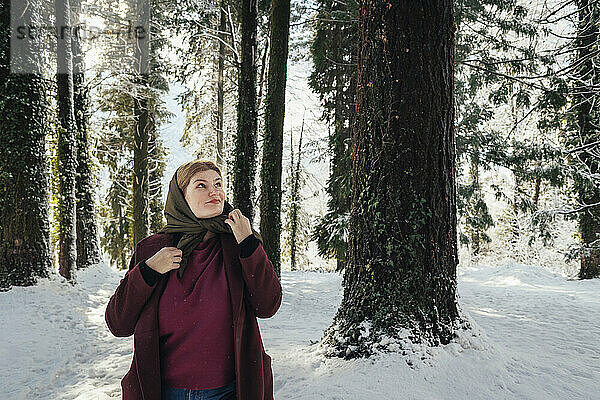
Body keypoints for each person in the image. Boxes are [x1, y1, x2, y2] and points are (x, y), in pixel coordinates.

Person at [105, 160, 282, 400]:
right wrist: (148, 270)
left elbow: (268, 305)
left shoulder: (238, 245)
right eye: (201, 185)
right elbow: (118, 323)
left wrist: (249, 244)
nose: (214, 191)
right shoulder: (152, 249)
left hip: (231, 391)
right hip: (164, 392)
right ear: (181, 197)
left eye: (218, 184)